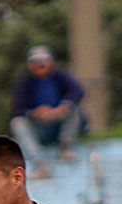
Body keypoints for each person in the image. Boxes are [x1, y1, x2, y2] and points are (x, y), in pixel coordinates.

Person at [10, 45, 86, 176]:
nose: (41, 65)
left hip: (59, 124)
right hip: (39, 127)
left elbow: (78, 91)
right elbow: (18, 108)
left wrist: (61, 108)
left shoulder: (61, 76)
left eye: (44, 61)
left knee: (75, 109)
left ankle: (66, 147)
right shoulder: (25, 82)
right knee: (17, 122)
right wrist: (36, 113)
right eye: (36, 62)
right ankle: (39, 162)